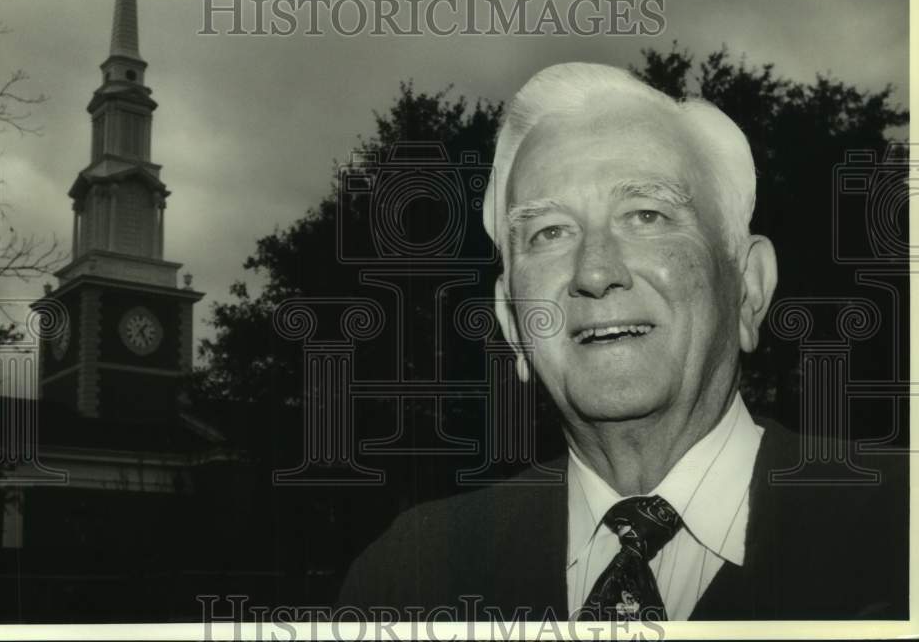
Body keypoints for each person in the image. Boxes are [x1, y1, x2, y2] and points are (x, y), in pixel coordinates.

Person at [338, 63, 907, 622]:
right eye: (549, 232)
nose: (595, 270)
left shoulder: (899, 531)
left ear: (748, 288)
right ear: (513, 324)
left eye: (646, 214)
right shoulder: (407, 581)